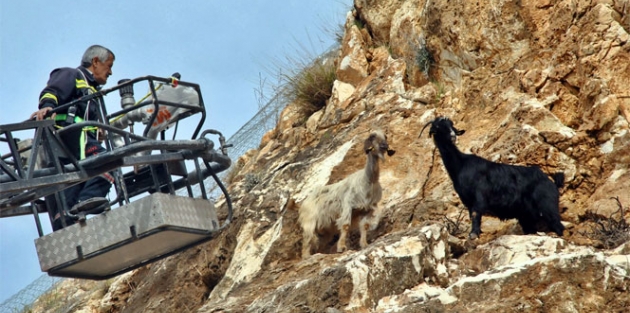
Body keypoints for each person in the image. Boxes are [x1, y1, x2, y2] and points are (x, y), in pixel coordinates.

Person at [30, 45, 116, 231]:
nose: (110, 72)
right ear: (95, 61)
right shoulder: (72, 75)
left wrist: (97, 130)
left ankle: (72, 217)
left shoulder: (92, 91)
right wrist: (47, 106)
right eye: (108, 65)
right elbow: (53, 90)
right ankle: (86, 201)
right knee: (109, 163)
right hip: (68, 137)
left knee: (69, 189)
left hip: (78, 143)